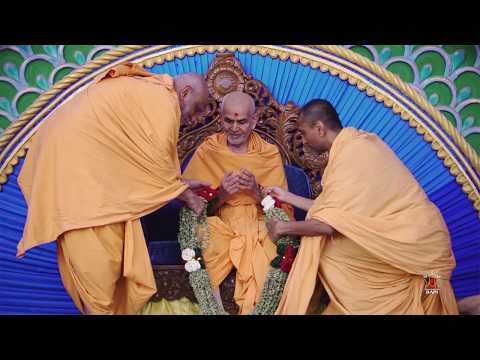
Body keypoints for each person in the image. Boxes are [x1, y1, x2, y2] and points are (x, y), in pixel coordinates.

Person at [17, 62, 210, 315]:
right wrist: (188, 197)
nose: (195, 118)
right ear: (184, 93)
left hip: (92, 179)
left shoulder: (147, 92)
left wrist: (178, 186)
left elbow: (134, 160)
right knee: (100, 276)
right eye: (196, 109)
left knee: (106, 275)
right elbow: (156, 163)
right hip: (83, 186)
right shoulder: (163, 100)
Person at [265, 99, 459, 315]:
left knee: (431, 294)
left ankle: (459, 306)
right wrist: (286, 196)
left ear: (319, 128)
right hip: (413, 242)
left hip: (420, 248)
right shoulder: (355, 145)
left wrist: (284, 228)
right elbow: (329, 210)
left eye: (303, 133)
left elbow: (328, 225)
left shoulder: (353, 154)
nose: (303, 141)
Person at [182, 91, 293, 314]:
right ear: (220, 119)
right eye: (228, 121)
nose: (234, 128)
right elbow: (192, 207)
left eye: (241, 121)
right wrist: (222, 194)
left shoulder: (268, 154)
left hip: (259, 222)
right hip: (221, 221)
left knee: (273, 248)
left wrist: (256, 193)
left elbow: (284, 211)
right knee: (205, 240)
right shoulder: (208, 150)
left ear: (254, 120)